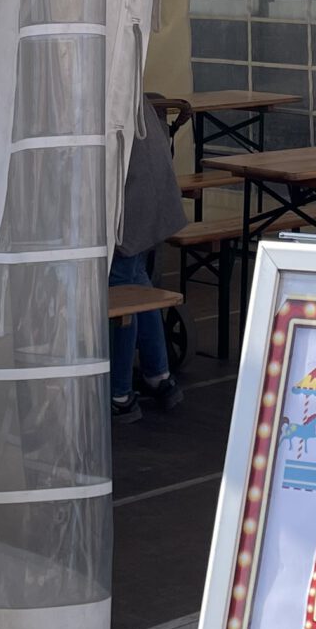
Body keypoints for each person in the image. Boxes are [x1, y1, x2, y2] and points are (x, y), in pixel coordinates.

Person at [112, 93, 187, 420]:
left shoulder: (101, 94)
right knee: (138, 283)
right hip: (153, 197)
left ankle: (119, 393)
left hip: (133, 201)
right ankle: (159, 375)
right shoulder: (125, 86)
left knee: (120, 296)